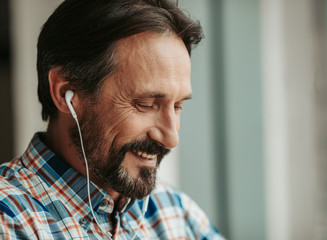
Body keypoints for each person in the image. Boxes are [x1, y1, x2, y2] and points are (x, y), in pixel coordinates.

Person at [0, 0, 225, 239]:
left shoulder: (176, 213)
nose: (171, 139)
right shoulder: (9, 221)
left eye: (178, 106)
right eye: (146, 104)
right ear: (66, 94)